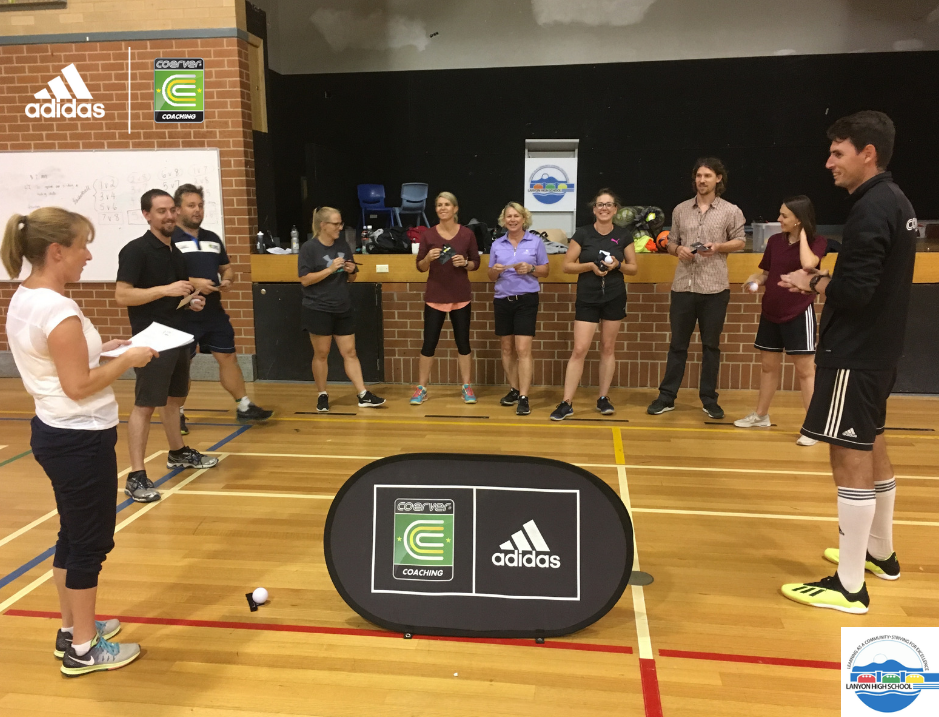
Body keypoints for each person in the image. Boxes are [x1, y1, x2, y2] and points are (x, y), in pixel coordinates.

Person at [3, 208, 157, 675]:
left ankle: (72, 627)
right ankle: (85, 649)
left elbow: (65, 362)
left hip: (57, 432)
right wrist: (129, 358)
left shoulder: (27, 298)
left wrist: (105, 349)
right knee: (89, 543)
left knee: (71, 535)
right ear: (57, 251)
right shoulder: (57, 309)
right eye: (82, 246)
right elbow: (78, 384)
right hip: (78, 437)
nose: (89, 255)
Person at [780, 111, 915, 614]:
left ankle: (850, 585)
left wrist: (809, 281)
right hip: (880, 350)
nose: (829, 163)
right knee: (873, 441)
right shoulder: (895, 200)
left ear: (868, 153)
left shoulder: (869, 208)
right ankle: (880, 551)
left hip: (856, 353)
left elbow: (856, 293)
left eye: (838, 153)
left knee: (848, 453)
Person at [115, 189, 218, 504]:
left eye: (172, 210)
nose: (169, 216)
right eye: (162, 211)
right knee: (145, 405)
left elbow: (175, 297)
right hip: (150, 339)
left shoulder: (175, 253)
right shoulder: (135, 251)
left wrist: (191, 302)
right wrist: (165, 289)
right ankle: (136, 475)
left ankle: (177, 452)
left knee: (174, 400)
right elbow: (123, 295)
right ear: (147, 214)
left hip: (177, 335)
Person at [647, 158, 746, 419]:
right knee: (677, 345)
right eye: (699, 176)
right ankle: (667, 396)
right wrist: (676, 249)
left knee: (710, 346)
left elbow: (740, 241)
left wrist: (718, 247)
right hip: (683, 287)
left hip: (714, 289)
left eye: (708, 176)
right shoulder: (680, 210)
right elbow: (671, 243)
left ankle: (709, 398)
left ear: (718, 179)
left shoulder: (730, 210)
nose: (702, 180)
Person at [171, 184, 272, 433]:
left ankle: (244, 405)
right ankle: (178, 414)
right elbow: (163, 277)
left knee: (227, 356)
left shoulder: (212, 238)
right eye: (191, 205)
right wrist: (194, 282)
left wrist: (228, 278)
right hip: (183, 313)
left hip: (213, 312)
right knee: (183, 364)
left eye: (201, 205)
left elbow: (226, 267)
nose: (197, 210)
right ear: (177, 209)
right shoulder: (169, 240)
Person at [734, 196, 827, 446]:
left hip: (798, 312)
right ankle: (761, 416)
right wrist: (755, 279)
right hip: (770, 312)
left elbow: (809, 264)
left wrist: (804, 235)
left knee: (805, 371)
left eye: (785, 216)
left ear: (799, 219)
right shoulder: (774, 241)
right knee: (767, 367)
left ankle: (813, 427)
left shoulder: (818, 242)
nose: (779, 219)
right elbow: (766, 274)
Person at [550, 189, 638, 421]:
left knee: (608, 348)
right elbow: (567, 266)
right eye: (600, 204)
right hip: (587, 297)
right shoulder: (583, 234)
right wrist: (589, 266)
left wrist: (617, 265)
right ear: (594, 209)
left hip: (614, 296)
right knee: (580, 349)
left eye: (609, 205)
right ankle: (566, 402)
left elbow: (633, 268)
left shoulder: (623, 235)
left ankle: (603, 397)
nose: (604, 208)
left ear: (615, 209)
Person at [299, 206, 385, 411]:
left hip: (342, 306)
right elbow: (305, 280)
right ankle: (322, 394)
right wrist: (329, 269)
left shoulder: (343, 245)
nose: (340, 227)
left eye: (340, 223)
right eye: (336, 224)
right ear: (323, 225)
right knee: (322, 353)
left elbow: (352, 277)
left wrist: (351, 270)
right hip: (318, 307)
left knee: (350, 352)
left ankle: (363, 394)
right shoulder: (309, 248)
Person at [411, 191, 480, 405]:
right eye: (439, 205)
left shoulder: (467, 234)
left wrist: (465, 263)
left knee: (463, 343)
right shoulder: (428, 235)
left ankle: (466, 386)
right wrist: (427, 259)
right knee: (428, 344)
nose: (442, 208)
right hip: (435, 297)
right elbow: (420, 267)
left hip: (460, 296)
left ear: (455, 209)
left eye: (447, 204)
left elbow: (476, 263)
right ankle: (421, 388)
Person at [488, 202, 549, 416]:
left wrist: (531, 268)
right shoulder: (497, 244)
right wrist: (495, 271)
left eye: (516, 216)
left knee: (523, 349)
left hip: (526, 299)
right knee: (506, 348)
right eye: (508, 216)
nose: (512, 220)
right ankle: (513, 389)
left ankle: (524, 396)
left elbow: (545, 270)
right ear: (503, 220)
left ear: (524, 219)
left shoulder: (536, 242)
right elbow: (490, 275)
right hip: (502, 299)